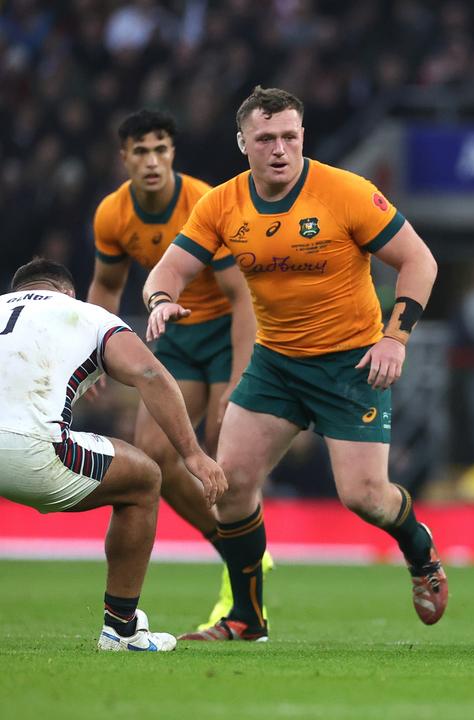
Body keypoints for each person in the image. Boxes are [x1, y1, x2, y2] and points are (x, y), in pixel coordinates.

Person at [141, 86, 446, 641]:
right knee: (229, 486)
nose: (279, 148)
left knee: (365, 498)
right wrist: (160, 302)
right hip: (276, 363)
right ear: (243, 144)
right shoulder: (221, 205)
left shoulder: (345, 191)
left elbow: (419, 261)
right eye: (265, 139)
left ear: (303, 137)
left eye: (289, 136)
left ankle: (419, 548)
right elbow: (165, 272)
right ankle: (248, 618)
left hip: (352, 365)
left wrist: (395, 339)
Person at [88, 108, 268, 632]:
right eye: (140, 151)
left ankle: (246, 585)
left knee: (222, 447)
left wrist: (235, 381)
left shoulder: (203, 203)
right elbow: (105, 287)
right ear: (124, 158)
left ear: (173, 154)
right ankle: (236, 550)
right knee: (153, 463)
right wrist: (92, 355)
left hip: (226, 332)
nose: (151, 161)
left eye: (161, 149)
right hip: (176, 338)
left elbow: (242, 298)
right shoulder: (111, 215)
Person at [0, 259, 226, 651]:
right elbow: (150, 375)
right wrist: (192, 453)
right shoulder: (87, 314)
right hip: (32, 451)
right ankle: (121, 628)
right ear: (68, 292)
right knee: (144, 479)